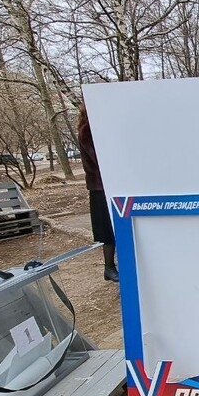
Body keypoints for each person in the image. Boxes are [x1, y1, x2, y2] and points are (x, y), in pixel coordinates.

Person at [77, 105, 119, 282]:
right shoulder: (88, 130)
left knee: (113, 228)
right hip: (100, 187)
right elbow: (100, 158)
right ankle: (109, 268)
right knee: (107, 230)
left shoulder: (94, 127)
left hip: (107, 185)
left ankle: (112, 267)